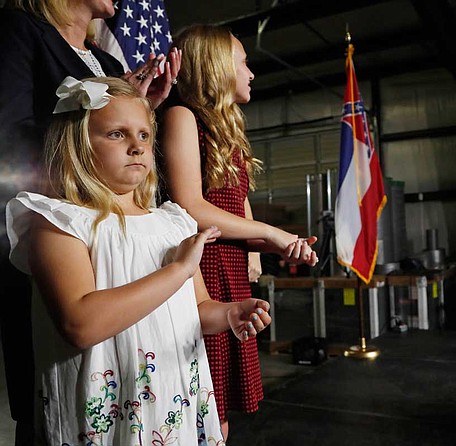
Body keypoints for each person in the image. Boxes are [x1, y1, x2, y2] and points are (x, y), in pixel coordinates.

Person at [6, 76, 273, 444]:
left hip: (170, 406)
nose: (137, 146)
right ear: (79, 145)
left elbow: (198, 308)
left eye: (144, 135)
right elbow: (80, 323)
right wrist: (177, 269)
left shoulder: (173, 222)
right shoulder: (57, 221)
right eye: (117, 134)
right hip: (104, 417)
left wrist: (228, 313)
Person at [0, 2, 179, 442]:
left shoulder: (109, 61)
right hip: (61, 226)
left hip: (115, 227)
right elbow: (10, 135)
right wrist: (91, 120)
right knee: (58, 380)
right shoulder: (18, 31)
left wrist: (137, 110)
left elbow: (122, 135)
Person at [159, 24, 318, 440]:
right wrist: (273, 232)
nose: (251, 72)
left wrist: (269, 247)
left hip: (228, 264)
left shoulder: (228, 131)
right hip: (201, 266)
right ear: (214, 66)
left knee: (222, 404)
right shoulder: (182, 117)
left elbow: (237, 201)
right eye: (243, 61)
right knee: (202, 401)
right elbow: (192, 206)